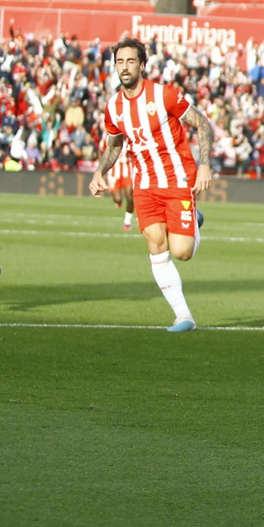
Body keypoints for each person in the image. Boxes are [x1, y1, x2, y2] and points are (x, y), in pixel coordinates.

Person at [88, 38, 212, 332]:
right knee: (155, 244)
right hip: (143, 183)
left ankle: (193, 217)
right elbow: (115, 145)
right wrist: (99, 172)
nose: (125, 67)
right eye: (120, 62)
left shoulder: (163, 95)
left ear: (142, 65)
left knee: (181, 252)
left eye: (131, 61)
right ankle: (183, 316)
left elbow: (202, 123)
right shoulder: (114, 107)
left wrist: (205, 164)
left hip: (177, 177)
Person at [108, 139, 135, 232]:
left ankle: (127, 221)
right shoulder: (109, 137)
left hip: (127, 171)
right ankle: (118, 202)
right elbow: (102, 150)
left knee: (130, 198)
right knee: (118, 199)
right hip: (114, 171)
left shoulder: (131, 137)